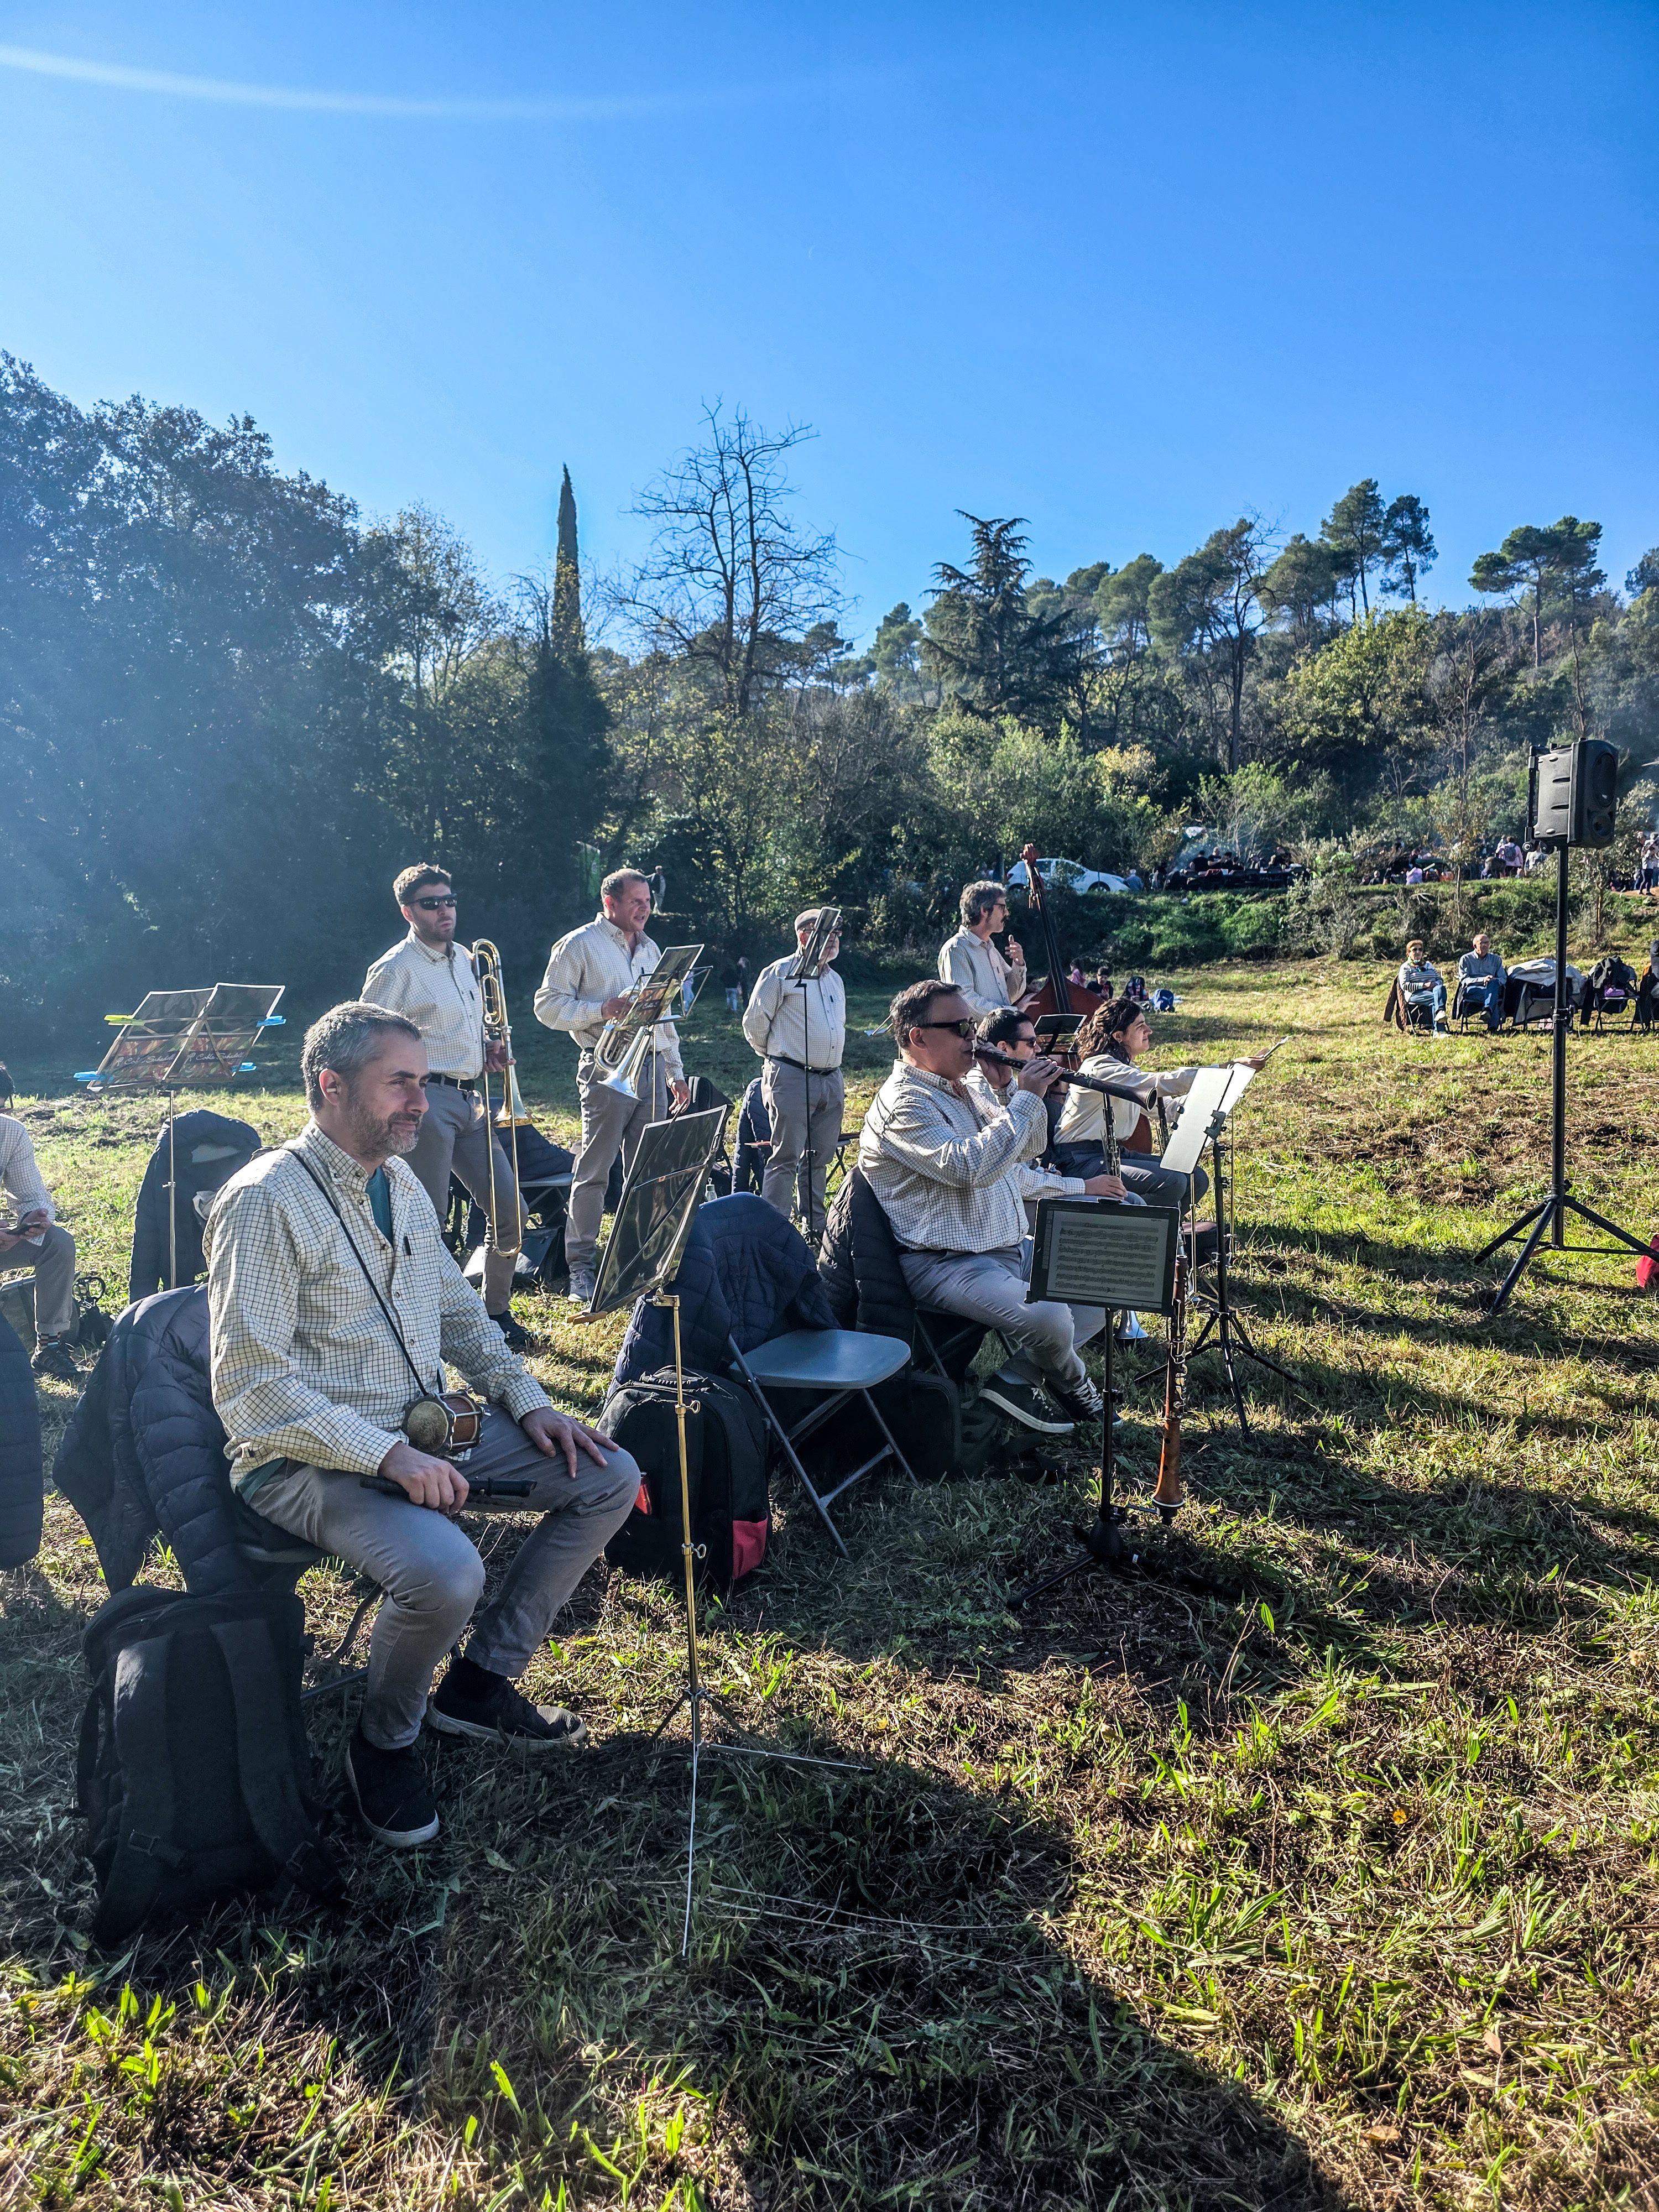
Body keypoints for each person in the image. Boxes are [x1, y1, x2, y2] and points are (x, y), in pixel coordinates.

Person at [205, 1002, 640, 1850]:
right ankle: (385, 1740)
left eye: (424, 1080)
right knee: (448, 1573)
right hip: (299, 1463)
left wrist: (529, 1401)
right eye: (400, 1082)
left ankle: (478, 1686)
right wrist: (388, 1454)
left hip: (422, 1433)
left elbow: (460, 1317)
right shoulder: (263, 1201)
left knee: (610, 1474)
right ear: (331, 1087)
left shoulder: (399, 1177)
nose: (420, 1100)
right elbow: (251, 1390)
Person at [859, 979, 1122, 1436]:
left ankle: (1015, 1382)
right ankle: (1079, 1389)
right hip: (947, 1263)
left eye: (975, 1028)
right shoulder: (904, 1104)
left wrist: (1029, 1098)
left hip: (1002, 1245)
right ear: (918, 1037)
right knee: (1050, 1316)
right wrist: (1025, 1099)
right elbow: (969, 1168)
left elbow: (1024, 1151)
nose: (974, 1041)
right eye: (962, 1028)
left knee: (1102, 1281)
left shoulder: (962, 1088)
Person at [362, 864, 529, 1348]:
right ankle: (422, 1328)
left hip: (472, 1097)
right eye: (431, 903)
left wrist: (486, 1051)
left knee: (511, 1212)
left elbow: (463, 1025)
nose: (444, 910)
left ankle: (495, 1314)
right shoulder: (395, 969)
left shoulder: (465, 959)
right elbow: (366, 1039)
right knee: (426, 1223)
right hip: (423, 1099)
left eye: (449, 900)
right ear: (407, 911)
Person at [534, 868, 691, 1306]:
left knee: (647, 1171)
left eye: (648, 901)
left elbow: (664, 1017)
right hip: (606, 1067)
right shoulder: (579, 944)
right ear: (610, 904)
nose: (645, 909)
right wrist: (602, 1008)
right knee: (595, 1171)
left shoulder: (654, 949)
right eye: (636, 901)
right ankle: (581, 1268)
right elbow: (546, 1006)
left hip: (652, 1068)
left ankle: (638, 1261)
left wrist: (675, 1072)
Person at [1052, 997, 1267, 1207]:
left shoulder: (1124, 1071)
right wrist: (1224, 1069)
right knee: (1172, 1182)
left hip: (1113, 1153)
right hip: (1081, 1160)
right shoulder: (1099, 1067)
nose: (1149, 1031)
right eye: (1140, 1026)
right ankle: (1144, 1234)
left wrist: (1220, 1091)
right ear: (1119, 1036)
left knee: (1196, 1179)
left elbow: (1165, 1108)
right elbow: (1157, 1083)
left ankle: (1170, 1238)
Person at [742, 909, 846, 1241]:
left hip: (831, 1078)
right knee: (786, 1156)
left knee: (820, 1157)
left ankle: (814, 1228)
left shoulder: (834, 978)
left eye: (836, 934)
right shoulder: (780, 974)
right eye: (826, 933)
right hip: (791, 1076)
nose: (834, 940)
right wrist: (781, 1062)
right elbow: (754, 1025)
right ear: (804, 936)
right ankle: (774, 1232)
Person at [0, 1104, 79, 1380]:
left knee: (57, 1243)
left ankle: (50, 1346)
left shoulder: (9, 1130)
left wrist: (31, 1223)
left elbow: (31, 1194)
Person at [937, 881, 1035, 1018]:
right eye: (1002, 907)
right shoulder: (956, 949)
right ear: (984, 910)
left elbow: (1009, 996)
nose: (1006, 913)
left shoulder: (990, 948)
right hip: (977, 1039)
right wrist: (1012, 1012)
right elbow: (965, 1002)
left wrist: (1018, 964)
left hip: (1000, 1035)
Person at [1455, 933, 1507, 1032]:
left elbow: (1503, 978)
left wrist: (1493, 980)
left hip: (1491, 988)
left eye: (1487, 943)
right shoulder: (1466, 959)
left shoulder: (1496, 960)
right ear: (1475, 946)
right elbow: (1464, 980)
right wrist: (1482, 980)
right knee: (1493, 996)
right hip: (1473, 990)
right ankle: (1493, 1027)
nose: (1485, 945)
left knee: (1494, 986)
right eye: (1482, 943)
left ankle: (1487, 1010)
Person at [1397, 940, 1448, 1031]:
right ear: (1408, 953)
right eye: (1414, 950)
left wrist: (1435, 985)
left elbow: (1440, 979)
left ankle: (1439, 1024)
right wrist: (1424, 985)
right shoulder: (1406, 967)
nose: (1418, 952)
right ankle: (1440, 1030)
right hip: (1415, 994)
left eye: (1420, 950)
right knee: (1436, 1000)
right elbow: (1405, 985)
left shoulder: (1429, 965)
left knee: (1440, 989)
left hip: (1433, 991)